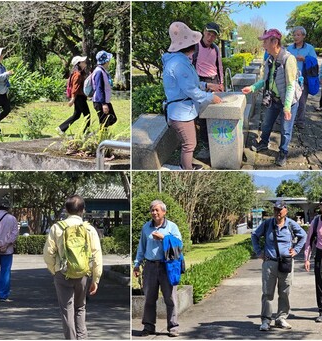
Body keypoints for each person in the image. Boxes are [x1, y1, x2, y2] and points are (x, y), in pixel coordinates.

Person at [162, 21, 222, 170]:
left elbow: (191, 83)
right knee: (189, 144)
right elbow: (190, 89)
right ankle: (187, 169)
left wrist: (207, 85)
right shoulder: (179, 63)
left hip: (184, 109)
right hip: (181, 111)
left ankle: (186, 165)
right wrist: (210, 97)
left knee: (189, 142)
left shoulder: (181, 60)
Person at [44, 195, 102, 340]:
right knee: (80, 308)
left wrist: (54, 270)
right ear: (83, 210)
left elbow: (48, 253)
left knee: (67, 311)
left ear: (66, 209)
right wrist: (96, 278)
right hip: (83, 274)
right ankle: (82, 338)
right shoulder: (89, 229)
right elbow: (97, 255)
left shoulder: (57, 228)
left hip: (62, 273)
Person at [242, 29, 302, 167]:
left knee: (286, 129)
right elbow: (266, 80)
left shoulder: (288, 59)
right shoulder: (270, 59)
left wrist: (287, 107)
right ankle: (263, 143)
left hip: (288, 102)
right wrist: (252, 88)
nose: (263, 45)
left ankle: (283, 152)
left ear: (275, 42)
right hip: (274, 99)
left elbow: (290, 86)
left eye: (265, 41)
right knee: (267, 123)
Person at [251, 200, 307, 331]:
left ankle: (281, 318)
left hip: (286, 263)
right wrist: (258, 252)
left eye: (280, 210)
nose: (278, 212)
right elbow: (254, 235)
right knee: (267, 293)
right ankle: (266, 320)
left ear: (286, 210)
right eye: (276, 210)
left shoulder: (291, 224)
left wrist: (296, 250)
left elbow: (303, 235)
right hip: (270, 263)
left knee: (284, 292)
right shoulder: (267, 224)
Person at [133, 200, 183, 337]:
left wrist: (164, 237)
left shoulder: (172, 227)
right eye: (152, 210)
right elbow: (141, 247)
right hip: (150, 266)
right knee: (149, 298)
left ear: (164, 212)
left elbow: (179, 245)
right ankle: (148, 326)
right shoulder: (146, 228)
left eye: (157, 210)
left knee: (170, 298)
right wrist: (137, 264)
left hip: (167, 266)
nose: (154, 213)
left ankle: (173, 327)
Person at [192, 22, 225, 146]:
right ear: (203, 32)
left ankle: (217, 138)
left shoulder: (215, 48)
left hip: (214, 80)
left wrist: (221, 83)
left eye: (213, 36)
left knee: (216, 109)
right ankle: (206, 142)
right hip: (201, 81)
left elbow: (219, 66)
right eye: (208, 34)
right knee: (203, 113)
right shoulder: (195, 47)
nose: (210, 37)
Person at [286, 26, 317, 129]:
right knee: (290, 100)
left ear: (303, 36)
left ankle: (300, 121)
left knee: (302, 102)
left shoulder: (309, 48)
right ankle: (288, 119)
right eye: (294, 35)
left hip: (303, 79)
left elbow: (314, 62)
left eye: (298, 35)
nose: (296, 37)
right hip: (291, 78)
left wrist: (305, 59)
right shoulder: (289, 48)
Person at [57, 55, 91, 134]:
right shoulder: (77, 75)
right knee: (87, 115)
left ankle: (61, 128)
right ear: (79, 63)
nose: (84, 62)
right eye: (82, 61)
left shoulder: (77, 73)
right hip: (79, 97)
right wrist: (73, 98)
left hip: (78, 97)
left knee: (76, 115)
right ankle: (86, 133)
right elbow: (75, 88)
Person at [92, 50, 117, 128]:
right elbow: (99, 88)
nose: (109, 62)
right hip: (100, 101)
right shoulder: (99, 72)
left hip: (104, 100)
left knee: (112, 119)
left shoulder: (102, 71)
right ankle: (101, 137)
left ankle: (102, 136)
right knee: (104, 122)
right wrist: (104, 104)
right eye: (109, 60)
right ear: (106, 61)